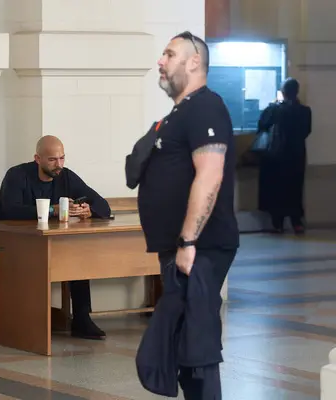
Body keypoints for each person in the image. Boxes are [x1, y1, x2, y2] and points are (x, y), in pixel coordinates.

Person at [137, 31, 239, 399]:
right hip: (185, 247)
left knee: (197, 343)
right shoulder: (182, 111)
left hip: (202, 246)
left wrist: (189, 240)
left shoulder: (205, 107)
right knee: (184, 338)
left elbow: (210, 174)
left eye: (169, 54)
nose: (160, 61)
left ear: (194, 61)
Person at [0, 135, 111, 340]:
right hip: (8, 248)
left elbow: (102, 204)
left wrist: (89, 210)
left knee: (77, 258)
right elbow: (8, 211)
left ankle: (81, 318)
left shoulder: (66, 176)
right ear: (37, 159)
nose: (58, 165)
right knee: (41, 262)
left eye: (62, 158)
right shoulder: (17, 175)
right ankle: (29, 323)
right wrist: (52, 210)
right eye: (52, 159)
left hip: (47, 246)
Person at [257, 77, 312, 234]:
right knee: (295, 189)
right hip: (297, 156)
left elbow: (262, 125)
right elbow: (307, 131)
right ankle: (296, 222)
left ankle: (278, 223)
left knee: (277, 189)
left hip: (276, 157)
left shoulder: (274, 110)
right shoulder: (305, 111)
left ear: (283, 92)